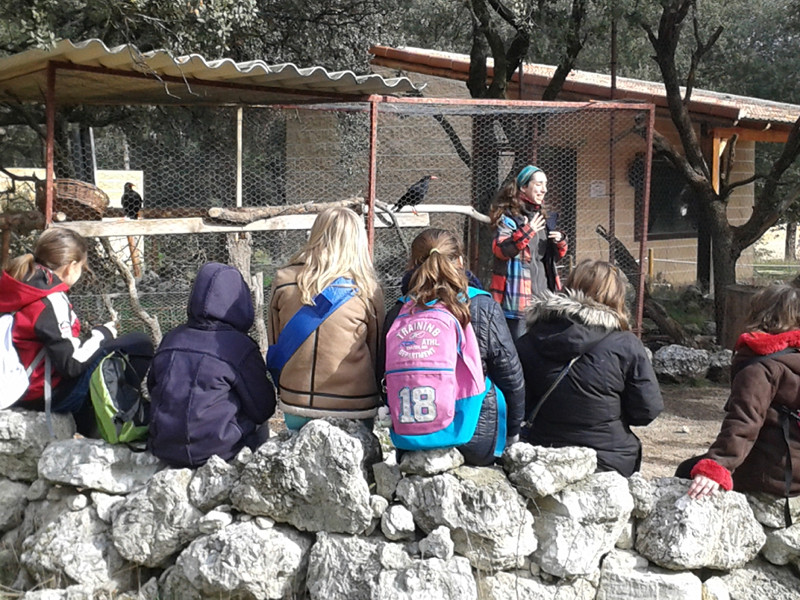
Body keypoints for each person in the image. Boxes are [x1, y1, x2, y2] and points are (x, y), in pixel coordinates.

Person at [379, 228, 525, 465]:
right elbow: (511, 378)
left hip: (411, 437)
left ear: (413, 265)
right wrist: (514, 433)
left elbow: (381, 378)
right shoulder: (481, 305)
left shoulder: (398, 311)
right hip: (473, 436)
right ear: (459, 261)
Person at [516, 259, 663, 477]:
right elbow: (647, 410)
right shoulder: (626, 344)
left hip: (543, 454)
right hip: (608, 459)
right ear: (617, 297)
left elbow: (518, 402)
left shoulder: (529, 341)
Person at [677, 284, 800, 500]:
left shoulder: (761, 366)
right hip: (792, 464)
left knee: (685, 473)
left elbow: (744, 421)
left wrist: (717, 466)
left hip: (776, 475)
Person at [147, 262, 276, 467]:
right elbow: (264, 407)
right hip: (220, 451)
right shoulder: (240, 348)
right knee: (259, 422)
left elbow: (152, 386)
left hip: (164, 448)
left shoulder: (171, 339)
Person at [268, 206, 384, 429]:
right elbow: (377, 350)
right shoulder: (367, 289)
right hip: (354, 406)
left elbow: (276, 342)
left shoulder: (283, 280)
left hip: (295, 401)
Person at [0, 228, 118, 427]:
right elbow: (71, 365)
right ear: (71, 267)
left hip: (14, 387)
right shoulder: (51, 299)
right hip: (41, 395)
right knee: (134, 344)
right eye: (82, 266)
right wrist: (103, 334)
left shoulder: (19, 286)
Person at [489, 166, 568, 340]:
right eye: (539, 184)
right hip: (519, 303)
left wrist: (560, 241)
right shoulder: (508, 218)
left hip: (546, 297)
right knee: (519, 349)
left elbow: (550, 258)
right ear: (524, 187)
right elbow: (500, 250)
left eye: (545, 184)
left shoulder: (542, 216)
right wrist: (527, 231)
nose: (544, 189)